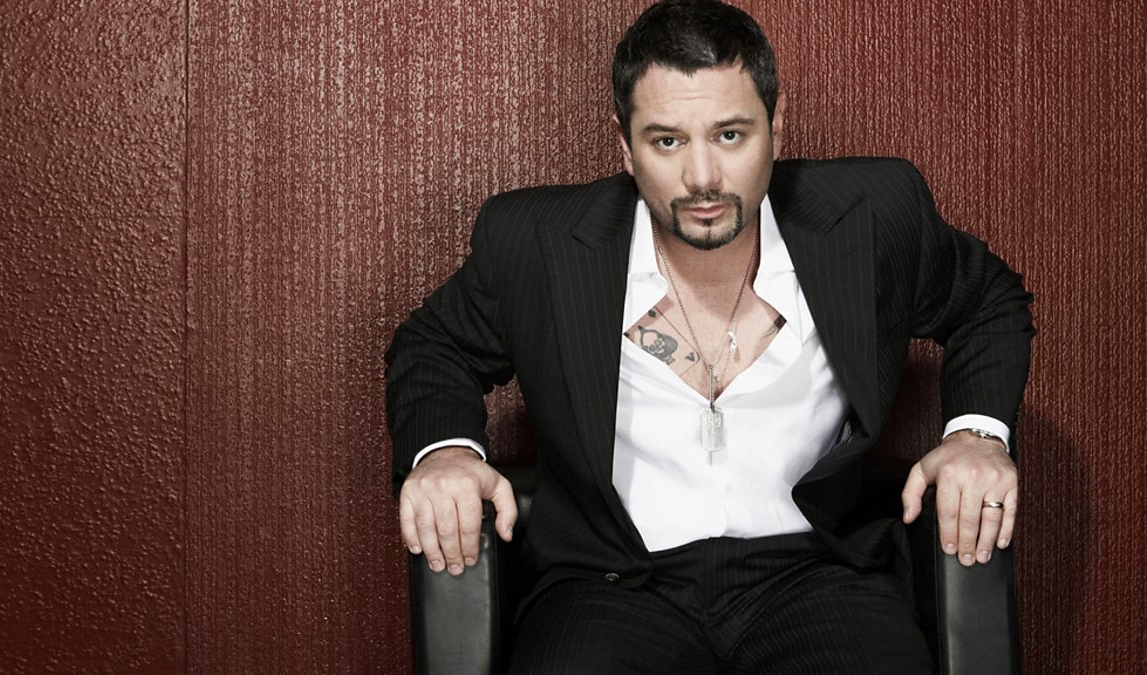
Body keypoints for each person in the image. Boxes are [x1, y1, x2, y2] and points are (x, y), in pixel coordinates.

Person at [386, 0, 1033, 671]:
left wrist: (976, 435)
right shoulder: (536, 242)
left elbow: (989, 299)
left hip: (816, 573)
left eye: (730, 135)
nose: (702, 179)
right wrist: (445, 452)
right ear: (625, 144)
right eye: (667, 141)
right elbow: (432, 346)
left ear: (776, 125)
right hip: (609, 582)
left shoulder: (870, 215)